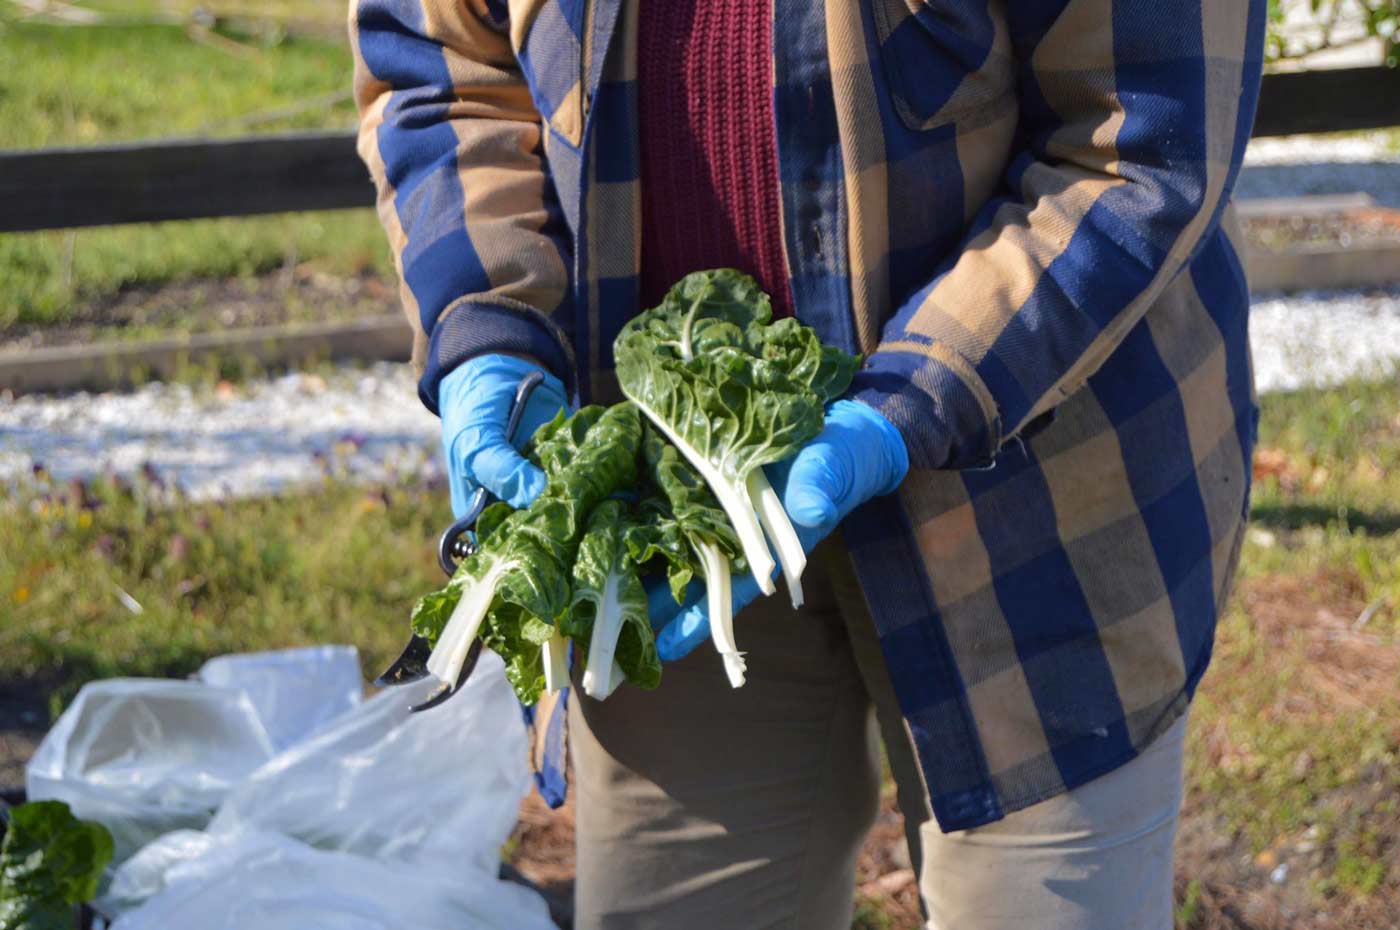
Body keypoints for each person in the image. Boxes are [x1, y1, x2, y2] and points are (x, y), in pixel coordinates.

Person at [351, 0, 1263, 926]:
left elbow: (1137, 144)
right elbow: (441, 66)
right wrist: (490, 322)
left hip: (1034, 489)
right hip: (675, 521)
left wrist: (909, 407)